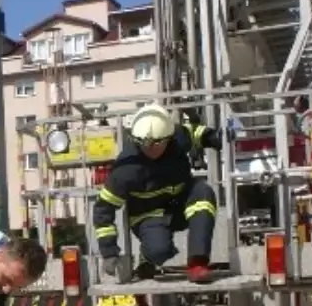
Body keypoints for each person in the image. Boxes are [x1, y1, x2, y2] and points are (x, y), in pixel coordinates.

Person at [93, 103, 226, 284]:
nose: (150, 148)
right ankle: (147, 259)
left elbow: (195, 133)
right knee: (159, 250)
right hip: (146, 216)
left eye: (157, 143)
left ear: (168, 138)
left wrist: (215, 138)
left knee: (203, 191)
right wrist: (109, 252)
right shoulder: (125, 170)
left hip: (179, 204)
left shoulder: (177, 137)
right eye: (143, 143)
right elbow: (103, 210)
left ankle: (197, 264)